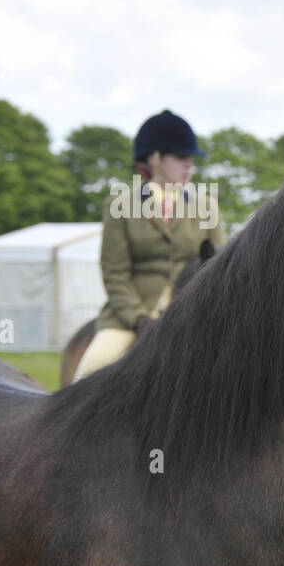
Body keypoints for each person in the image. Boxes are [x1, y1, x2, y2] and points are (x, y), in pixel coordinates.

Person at [74, 109, 223, 381]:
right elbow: (115, 272)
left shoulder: (206, 206)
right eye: (180, 157)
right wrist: (139, 319)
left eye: (191, 158)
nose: (189, 164)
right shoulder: (121, 205)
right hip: (130, 321)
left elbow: (221, 267)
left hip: (192, 317)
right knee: (89, 372)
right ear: (154, 158)